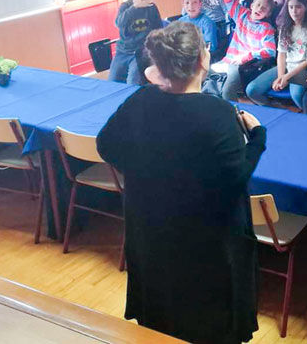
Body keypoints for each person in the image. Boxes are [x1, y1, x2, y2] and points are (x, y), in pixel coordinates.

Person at [97, 21, 266, 344]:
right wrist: (257, 138)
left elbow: (106, 145)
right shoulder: (218, 114)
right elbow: (235, 178)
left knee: (160, 323)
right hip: (205, 245)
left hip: (152, 230)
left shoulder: (140, 101)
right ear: (203, 60)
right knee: (208, 325)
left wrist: (149, 172)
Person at [246, 0, 307, 109]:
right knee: (252, 90)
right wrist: (280, 76)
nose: (294, 11)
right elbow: (282, 54)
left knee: (296, 95)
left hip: (303, 70)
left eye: (298, 7)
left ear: (306, 8)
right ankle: (274, 110)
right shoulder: (285, 27)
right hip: (286, 66)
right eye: (291, 7)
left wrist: (286, 77)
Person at [214, 0, 277, 101]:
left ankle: (234, 112)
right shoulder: (241, 14)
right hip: (227, 60)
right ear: (252, 6)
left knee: (227, 92)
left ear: (268, 13)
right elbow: (229, 0)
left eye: (264, 8)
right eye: (258, 5)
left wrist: (248, 56)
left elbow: (270, 51)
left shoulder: (266, 28)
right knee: (203, 79)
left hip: (240, 65)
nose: (260, 9)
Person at [109, 0, 162, 85]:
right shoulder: (125, 6)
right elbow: (118, 23)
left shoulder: (151, 8)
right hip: (123, 51)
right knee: (112, 82)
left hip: (141, 53)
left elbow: (159, 29)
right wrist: (135, 7)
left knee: (132, 81)